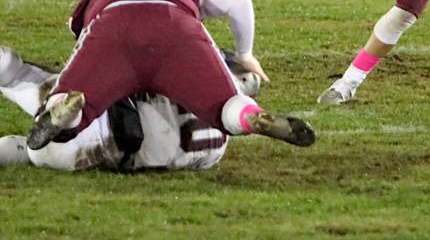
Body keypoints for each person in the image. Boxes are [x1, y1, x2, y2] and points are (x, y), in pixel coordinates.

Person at [27, 0, 315, 151]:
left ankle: (63, 110)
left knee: (80, 102)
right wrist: (244, 54)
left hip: (112, 26)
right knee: (223, 105)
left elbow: (76, 29)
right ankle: (250, 117)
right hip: (176, 26)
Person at [0, 46, 260, 171]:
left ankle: (65, 115)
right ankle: (46, 134)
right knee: (36, 154)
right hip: (107, 154)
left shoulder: (188, 67)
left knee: (23, 76)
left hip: (115, 125)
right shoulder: (216, 149)